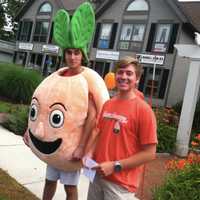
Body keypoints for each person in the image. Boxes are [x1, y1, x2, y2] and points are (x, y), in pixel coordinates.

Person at [85, 56, 157, 200]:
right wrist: (89, 153)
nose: (123, 76)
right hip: (97, 176)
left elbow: (150, 153)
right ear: (115, 75)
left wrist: (115, 166)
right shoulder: (108, 104)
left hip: (120, 185)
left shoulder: (144, 110)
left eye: (129, 73)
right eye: (120, 72)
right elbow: (99, 133)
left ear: (137, 79)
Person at [41, 48, 97, 200]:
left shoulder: (86, 79)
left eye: (77, 53)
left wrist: (81, 147)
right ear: (64, 54)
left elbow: (92, 116)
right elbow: (45, 105)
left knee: (70, 187)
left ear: (82, 55)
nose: (72, 57)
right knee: (49, 181)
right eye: (69, 53)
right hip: (55, 141)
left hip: (72, 145)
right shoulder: (59, 75)